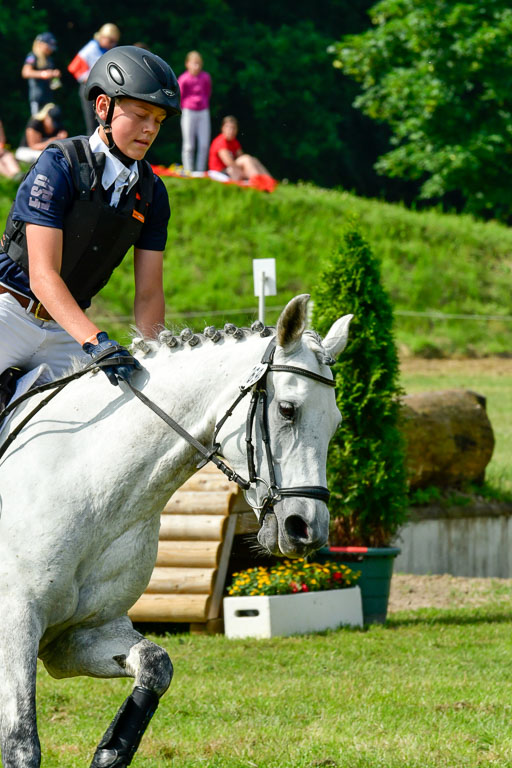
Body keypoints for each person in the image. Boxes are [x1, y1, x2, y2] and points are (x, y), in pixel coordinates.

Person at [0, 45, 180, 398]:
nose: (149, 129)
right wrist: (96, 341)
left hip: (67, 334)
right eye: (142, 114)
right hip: (11, 314)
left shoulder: (153, 193)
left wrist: (155, 357)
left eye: (157, 121)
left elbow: (148, 294)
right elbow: (42, 275)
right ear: (103, 107)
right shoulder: (59, 164)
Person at [68, 23, 121, 135]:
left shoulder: (108, 49)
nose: (113, 44)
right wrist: (88, 78)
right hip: (89, 89)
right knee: (92, 124)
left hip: (104, 90)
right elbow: (73, 67)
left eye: (114, 41)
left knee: (106, 121)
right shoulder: (91, 49)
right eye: (110, 41)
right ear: (102, 37)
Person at [208, 115, 272, 183]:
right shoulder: (220, 142)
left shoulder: (234, 142)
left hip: (231, 169)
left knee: (252, 159)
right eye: (228, 127)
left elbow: (240, 156)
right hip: (221, 172)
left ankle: (269, 179)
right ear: (222, 128)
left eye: (233, 128)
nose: (231, 131)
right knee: (246, 159)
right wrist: (244, 170)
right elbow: (229, 163)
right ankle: (259, 181)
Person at [177, 51, 212, 173]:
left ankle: (200, 171)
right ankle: (188, 171)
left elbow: (207, 92)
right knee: (189, 144)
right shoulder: (183, 79)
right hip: (188, 111)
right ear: (187, 64)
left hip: (203, 111)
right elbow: (180, 95)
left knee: (203, 144)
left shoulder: (205, 77)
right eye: (194, 63)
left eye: (198, 64)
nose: (196, 66)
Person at [21, 32, 61, 116]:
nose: (50, 50)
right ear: (41, 44)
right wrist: (43, 74)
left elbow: (51, 78)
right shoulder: (32, 56)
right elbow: (26, 72)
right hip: (37, 98)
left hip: (48, 97)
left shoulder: (49, 59)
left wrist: (54, 75)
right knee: (37, 122)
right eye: (49, 46)